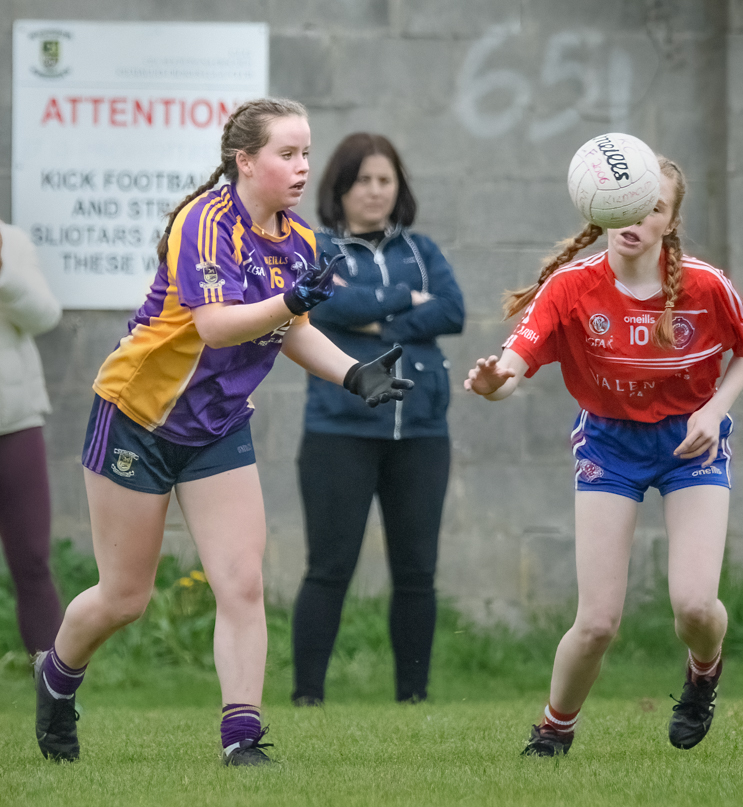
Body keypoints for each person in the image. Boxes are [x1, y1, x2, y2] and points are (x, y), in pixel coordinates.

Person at [32, 98, 413, 766]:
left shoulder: (297, 240)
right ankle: (56, 676)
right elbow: (216, 324)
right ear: (245, 160)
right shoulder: (204, 221)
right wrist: (293, 300)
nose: (301, 167)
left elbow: (287, 328)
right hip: (136, 418)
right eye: (286, 154)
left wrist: (353, 374)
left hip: (217, 428)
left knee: (241, 582)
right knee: (125, 597)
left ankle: (241, 737)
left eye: (305, 152)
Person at [465, 155, 743, 756]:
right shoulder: (572, 287)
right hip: (610, 445)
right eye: (624, 202)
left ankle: (703, 672)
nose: (634, 217)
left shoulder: (706, 286)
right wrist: (494, 381)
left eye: (652, 206)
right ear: (600, 205)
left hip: (690, 446)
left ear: (670, 221)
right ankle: (554, 729)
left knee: (696, 607)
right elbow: (513, 368)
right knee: (599, 620)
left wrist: (713, 411)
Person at [291, 133, 464, 705]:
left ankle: (413, 697)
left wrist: (371, 317)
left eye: (384, 180)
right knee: (329, 567)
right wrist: (407, 304)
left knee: (417, 572)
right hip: (339, 429)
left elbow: (453, 310)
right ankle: (306, 696)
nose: (374, 191)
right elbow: (328, 305)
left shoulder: (423, 251)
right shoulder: (316, 248)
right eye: (361, 180)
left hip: (421, 433)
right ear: (338, 189)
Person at [0, 220, 63, 657]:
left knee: (32, 561)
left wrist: (4, 274)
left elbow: (45, 315)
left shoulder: (11, 242)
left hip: (15, 421)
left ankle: (55, 691)